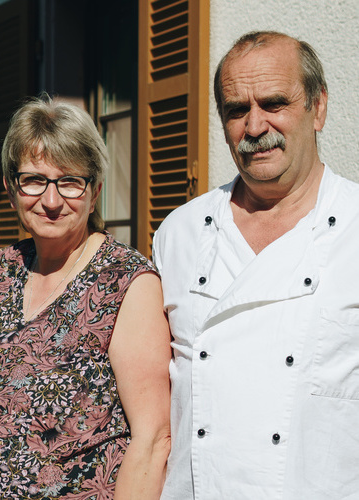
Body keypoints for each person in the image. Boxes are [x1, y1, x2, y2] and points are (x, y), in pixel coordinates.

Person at [0, 96, 171, 499]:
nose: (52, 201)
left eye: (70, 181)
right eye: (35, 180)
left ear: (94, 192)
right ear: (11, 189)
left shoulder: (127, 282)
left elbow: (153, 440)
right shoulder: (0, 269)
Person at [153, 30, 359, 499]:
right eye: (236, 110)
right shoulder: (179, 234)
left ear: (318, 108)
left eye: (274, 102)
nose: (254, 126)